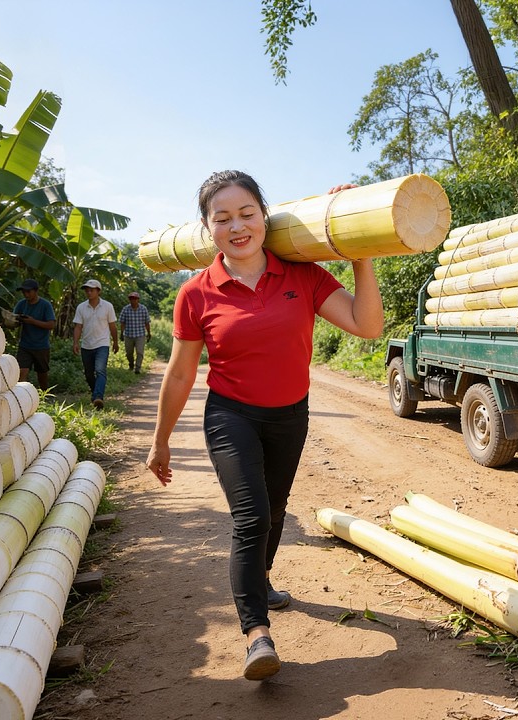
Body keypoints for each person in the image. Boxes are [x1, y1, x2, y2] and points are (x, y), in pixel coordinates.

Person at [145, 170, 383, 682]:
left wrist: (360, 253)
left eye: (247, 213)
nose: (237, 226)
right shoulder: (196, 293)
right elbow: (183, 371)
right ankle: (257, 633)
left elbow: (367, 325)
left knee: (274, 511)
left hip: (290, 415)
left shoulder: (304, 275)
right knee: (251, 517)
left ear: (264, 216)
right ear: (207, 227)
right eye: (222, 218)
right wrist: (160, 441)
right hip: (231, 414)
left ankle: (262, 579)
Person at [72, 279, 119, 409]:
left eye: (91, 290)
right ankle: (95, 394)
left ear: (98, 291)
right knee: (88, 373)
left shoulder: (107, 306)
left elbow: (112, 326)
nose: (88, 292)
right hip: (86, 344)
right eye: (87, 290)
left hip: (102, 344)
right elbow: (78, 327)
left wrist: (115, 341)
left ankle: (98, 397)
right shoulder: (81, 307)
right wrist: (75, 342)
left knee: (100, 370)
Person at [11, 278, 56, 389]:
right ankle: (22, 395)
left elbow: (51, 325)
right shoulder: (21, 304)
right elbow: (14, 321)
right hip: (25, 345)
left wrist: (32, 321)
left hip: (41, 346)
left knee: (42, 374)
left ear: (35, 291)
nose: (26, 294)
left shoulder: (45, 305)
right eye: (24, 292)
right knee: (22, 371)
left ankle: (44, 394)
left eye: (28, 292)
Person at [118, 291, 152, 373]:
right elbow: (122, 322)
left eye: (135, 299)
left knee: (139, 352)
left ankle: (138, 368)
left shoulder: (143, 309)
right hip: (128, 335)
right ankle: (131, 364)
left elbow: (147, 322)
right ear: (129, 300)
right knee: (129, 353)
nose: (133, 300)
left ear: (138, 300)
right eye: (131, 299)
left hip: (140, 335)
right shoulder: (125, 309)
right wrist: (121, 333)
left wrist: (149, 333)